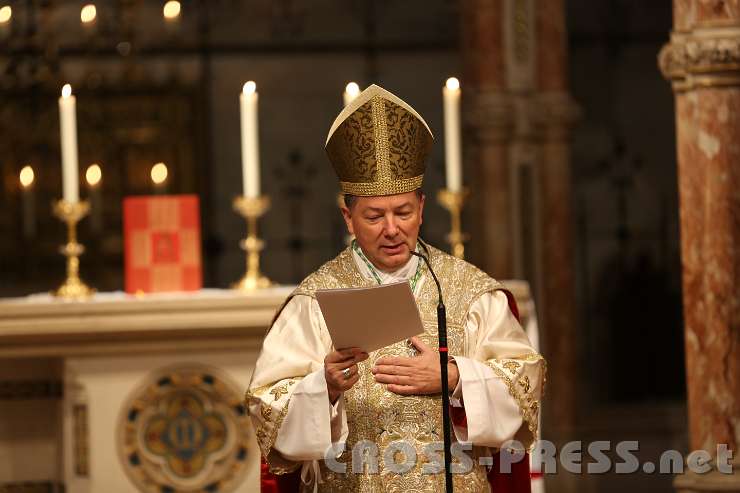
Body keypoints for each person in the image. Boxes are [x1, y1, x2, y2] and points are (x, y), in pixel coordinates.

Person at [246, 84, 545, 492]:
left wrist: (455, 376)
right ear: (348, 217)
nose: (391, 229)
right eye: (374, 216)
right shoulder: (313, 302)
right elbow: (268, 411)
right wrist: (325, 387)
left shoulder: (472, 292)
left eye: (403, 212)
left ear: (421, 208)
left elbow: (524, 394)